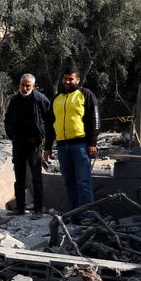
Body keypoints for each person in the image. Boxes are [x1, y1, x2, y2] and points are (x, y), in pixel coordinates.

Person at [44, 65, 100, 214]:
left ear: (78, 79)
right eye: (65, 79)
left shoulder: (85, 94)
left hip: (80, 145)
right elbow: (50, 124)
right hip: (62, 147)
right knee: (69, 182)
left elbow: (94, 119)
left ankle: (88, 215)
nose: (67, 82)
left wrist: (92, 143)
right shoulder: (57, 99)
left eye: (71, 79)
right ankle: (75, 214)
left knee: (83, 182)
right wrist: (48, 146)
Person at [4, 74, 51, 215]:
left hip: (34, 144)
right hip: (18, 143)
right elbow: (7, 119)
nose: (24, 88)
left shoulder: (41, 100)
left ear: (33, 86)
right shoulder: (14, 100)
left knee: (36, 177)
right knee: (19, 177)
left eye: (28, 86)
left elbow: (50, 121)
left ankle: (38, 209)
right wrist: (11, 134)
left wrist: (45, 140)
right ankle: (20, 207)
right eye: (22, 85)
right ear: (19, 84)